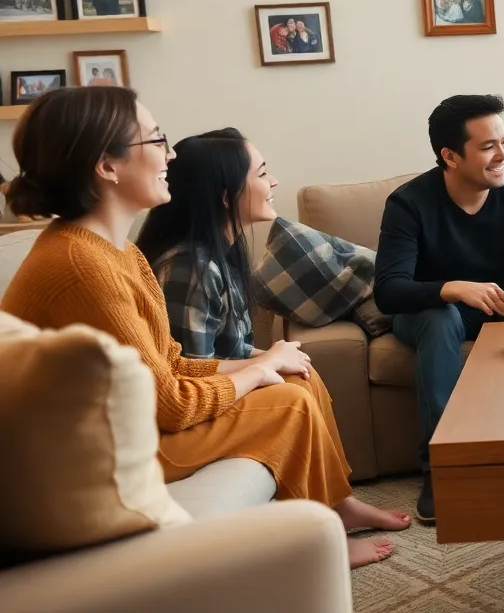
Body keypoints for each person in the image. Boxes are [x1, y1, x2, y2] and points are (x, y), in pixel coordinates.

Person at [0, 87, 411, 568]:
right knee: (288, 402)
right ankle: (319, 540)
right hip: (97, 456)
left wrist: (261, 361)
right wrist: (257, 371)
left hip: (125, 429)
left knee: (293, 377)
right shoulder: (82, 265)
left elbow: (169, 362)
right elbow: (170, 405)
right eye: (156, 141)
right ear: (106, 166)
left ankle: (333, 512)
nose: (170, 154)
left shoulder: (118, 252)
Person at [373, 94, 504, 524]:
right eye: (488, 147)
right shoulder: (408, 203)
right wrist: (451, 288)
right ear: (450, 156)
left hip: (495, 307)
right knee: (441, 318)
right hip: (427, 315)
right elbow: (389, 291)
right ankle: (442, 469)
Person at [137, 128, 277, 360]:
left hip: (226, 385)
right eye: (262, 174)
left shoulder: (222, 254)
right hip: (204, 393)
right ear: (226, 197)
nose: (274, 182)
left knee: (303, 375)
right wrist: (271, 362)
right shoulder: (193, 269)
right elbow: (194, 370)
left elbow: (231, 349)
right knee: (294, 391)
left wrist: (275, 357)